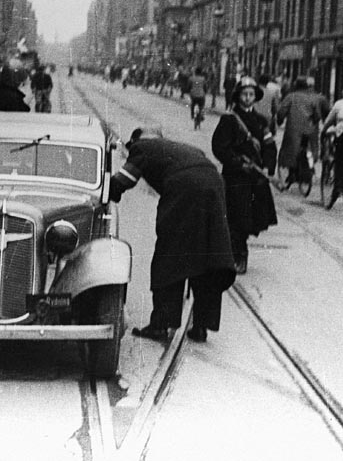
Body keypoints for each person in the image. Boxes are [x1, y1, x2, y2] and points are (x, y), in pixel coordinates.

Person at [109, 128, 236, 343]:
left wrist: (106, 193)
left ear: (135, 141)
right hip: (214, 184)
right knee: (207, 256)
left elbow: (124, 179)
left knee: (170, 256)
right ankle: (202, 326)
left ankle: (161, 324)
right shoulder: (185, 148)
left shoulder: (142, 147)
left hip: (185, 188)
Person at [211, 76, 278, 274]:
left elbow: (269, 146)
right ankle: (239, 254)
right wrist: (238, 162)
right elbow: (219, 147)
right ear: (238, 96)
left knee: (250, 218)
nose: (248, 98)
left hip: (256, 178)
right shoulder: (229, 119)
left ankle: (239, 250)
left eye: (251, 95)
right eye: (244, 94)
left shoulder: (260, 121)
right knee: (236, 217)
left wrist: (268, 167)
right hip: (236, 177)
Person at [276, 76, 324, 185]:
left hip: (294, 129)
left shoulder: (291, 97)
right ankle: (309, 169)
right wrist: (314, 122)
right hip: (310, 130)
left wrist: (279, 120)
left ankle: (292, 173)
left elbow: (281, 111)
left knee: (291, 150)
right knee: (309, 148)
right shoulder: (313, 98)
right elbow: (317, 115)